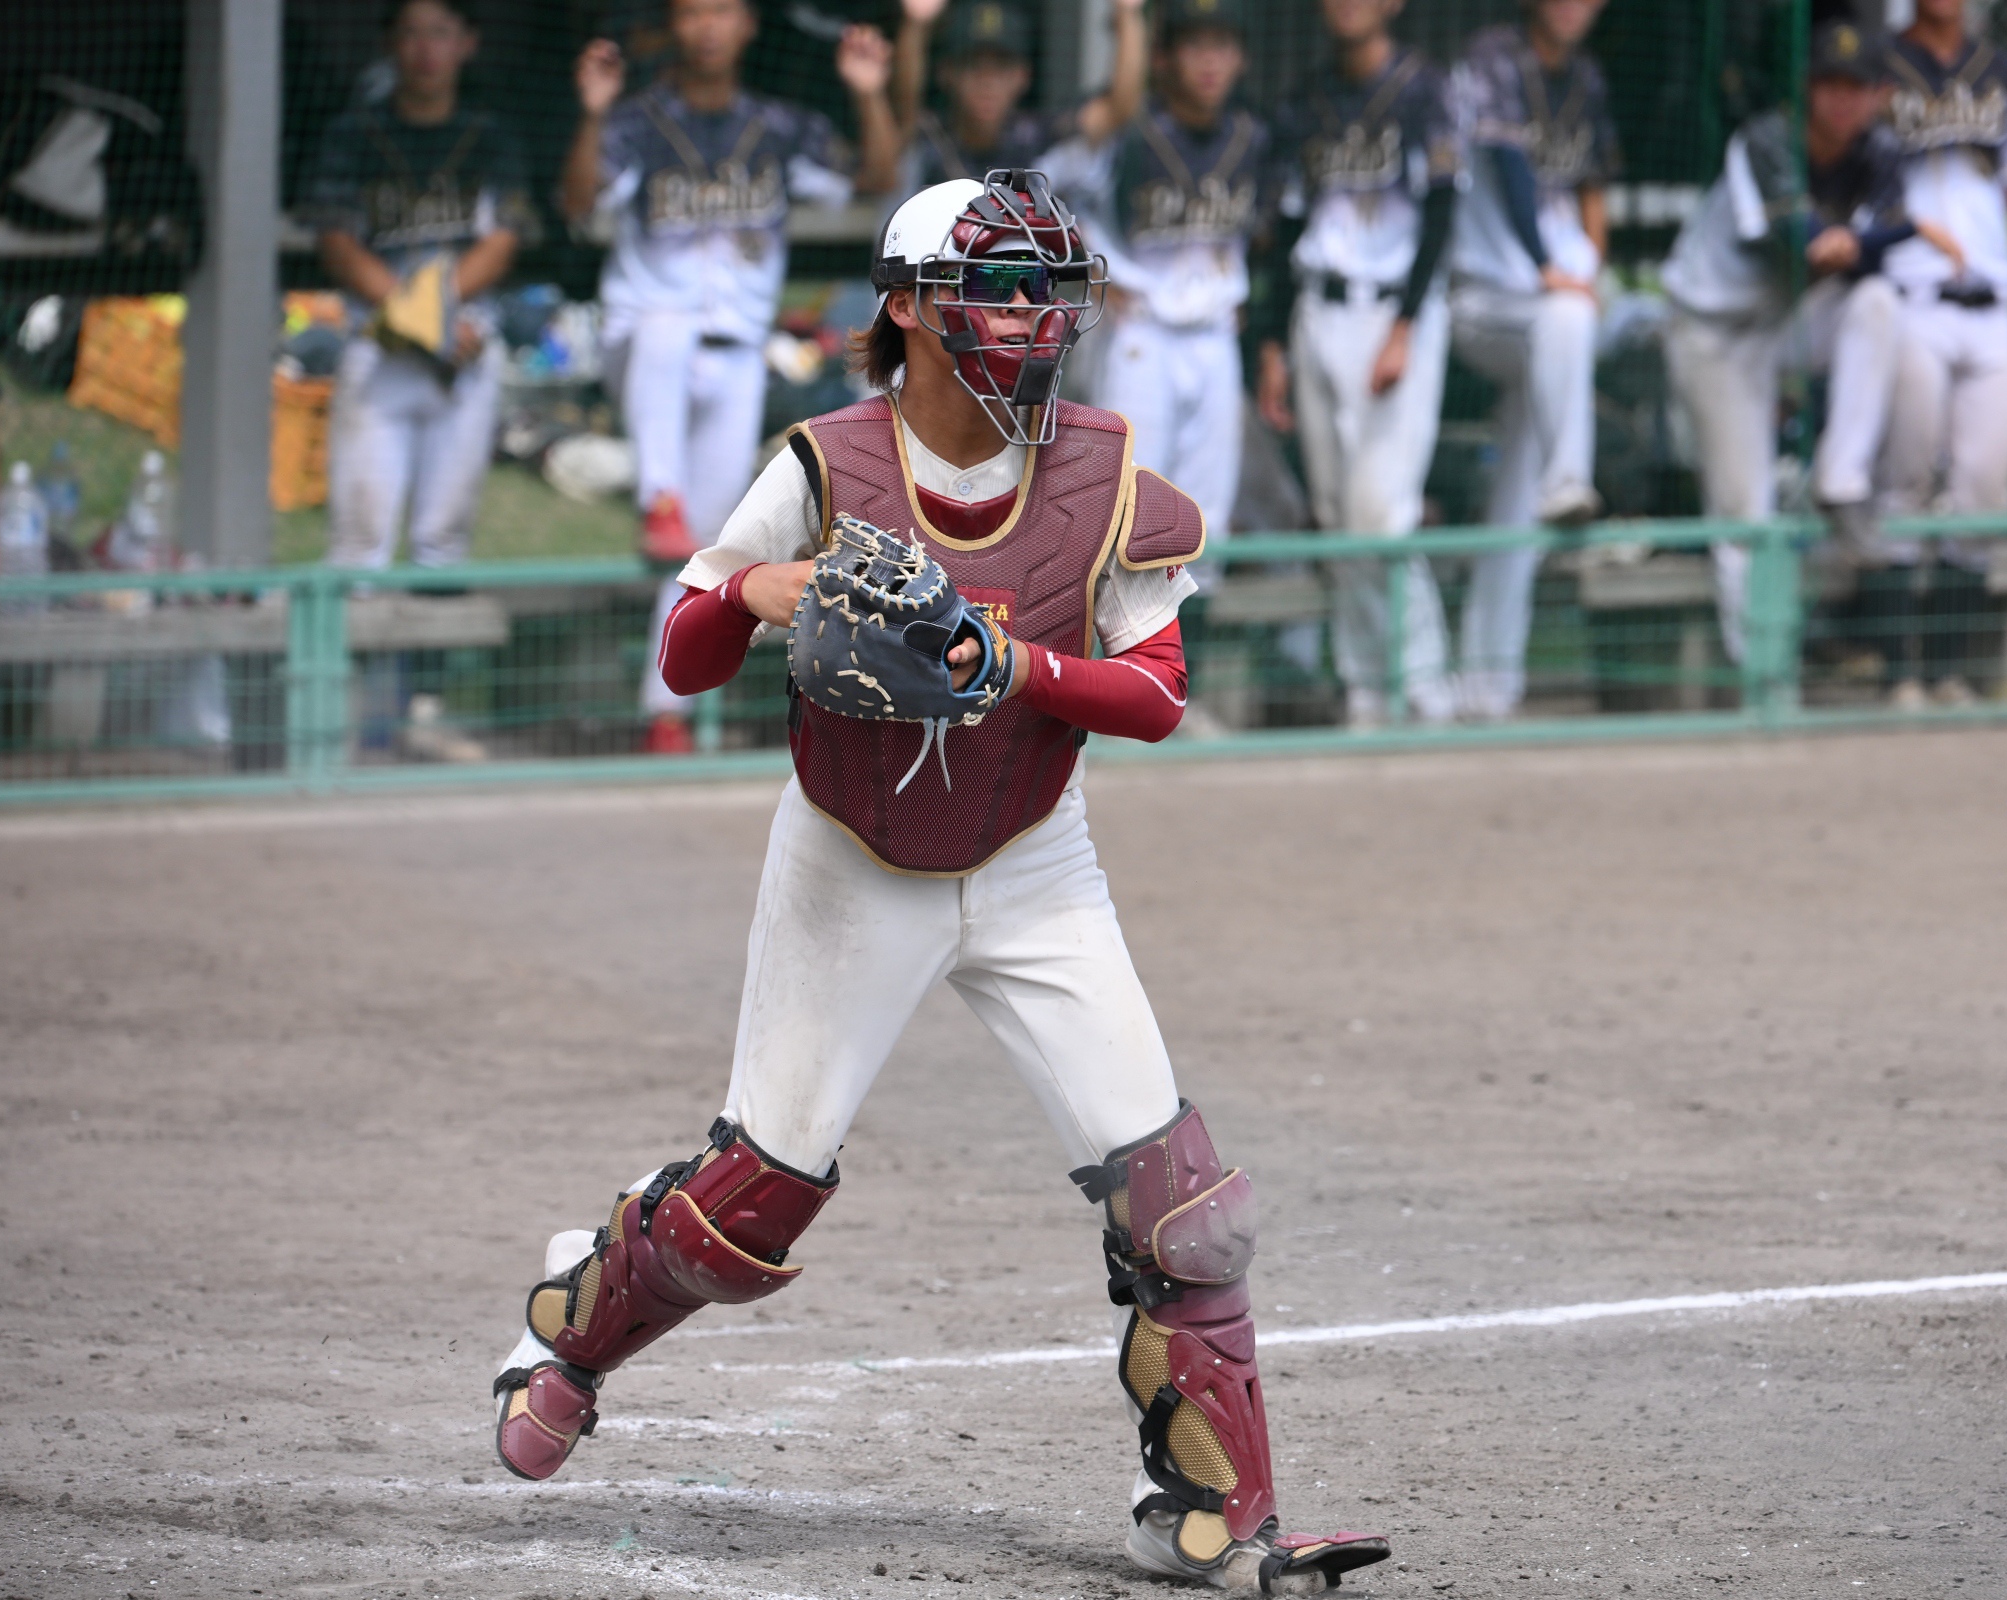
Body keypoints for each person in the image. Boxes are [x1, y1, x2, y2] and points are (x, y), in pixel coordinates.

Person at [488, 170, 1392, 1595]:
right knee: (750, 1209)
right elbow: (685, 652)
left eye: (1048, 292)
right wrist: (755, 590)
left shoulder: (1104, 472)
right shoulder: (826, 462)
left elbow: (1156, 697)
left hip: (1036, 856)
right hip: (851, 860)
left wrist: (1011, 665)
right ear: (906, 307)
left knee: (1188, 1207)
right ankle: (571, 1329)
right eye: (996, 290)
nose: (1032, 320)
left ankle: (1219, 1516)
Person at [561, 0, 901, 753]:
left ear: (749, 25)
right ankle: (658, 495)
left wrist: (870, 93)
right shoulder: (638, 120)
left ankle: (667, 716)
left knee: (707, 546)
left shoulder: (778, 125)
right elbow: (578, 201)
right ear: (673, 25)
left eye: (723, 10)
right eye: (693, 11)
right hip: (645, 345)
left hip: (737, 352)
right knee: (666, 321)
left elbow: (876, 179)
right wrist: (593, 112)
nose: (709, 25)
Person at [1661, 21, 1936, 667]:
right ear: (1807, 88)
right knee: (1744, 508)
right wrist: (1870, 238)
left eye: (1856, 87)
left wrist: (1867, 240)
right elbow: (1800, 241)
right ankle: (1762, 673)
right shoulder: (1766, 140)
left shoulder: (1876, 149)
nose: (1842, 100)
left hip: (1782, 323)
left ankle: (1841, 478)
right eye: (1830, 84)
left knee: (1877, 304)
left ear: (1878, 95)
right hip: (1714, 333)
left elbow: (1888, 240)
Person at [1256, 0, 1461, 730]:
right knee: (1339, 514)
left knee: (1381, 512)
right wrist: (1273, 346)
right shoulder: (1306, 101)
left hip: (1394, 311)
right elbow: (1287, 228)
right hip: (1318, 310)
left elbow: (1443, 212)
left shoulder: (1425, 89)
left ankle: (1427, 686)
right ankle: (1367, 689)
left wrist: (1405, 325)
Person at [303, 0, 538, 572]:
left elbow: (502, 240)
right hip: (379, 350)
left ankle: (425, 635)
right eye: (410, 33)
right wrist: (425, 320)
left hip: (465, 351)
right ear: (388, 42)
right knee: (358, 548)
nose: (426, 49)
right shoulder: (353, 134)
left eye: (440, 33)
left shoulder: (490, 136)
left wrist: (436, 318)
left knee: (443, 547)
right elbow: (337, 242)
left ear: (467, 42)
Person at [1445, 0, 1616, 720]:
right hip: (1487, 298)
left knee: (1515, 499)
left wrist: (1591, 260)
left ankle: (1489, 686)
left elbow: (1594, 180)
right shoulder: (1494, 56)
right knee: (1567, 316)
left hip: (1554, 304)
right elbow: (1512, 167)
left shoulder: (1587, 77)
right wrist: (1550, 265)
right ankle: (1569, 478)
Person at [1874, 0, 2007, 705]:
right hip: (1913, 295)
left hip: (1991, 301)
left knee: (1984, 487)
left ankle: (1946, 669)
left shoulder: (1999, 70)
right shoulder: (1880, 65)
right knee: (1906, 479)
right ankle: (1898, 672)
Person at [1068, 0, 1265, 605]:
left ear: (1242, 58)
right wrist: (1092, 269)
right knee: (1130, 505)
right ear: (1164, 58)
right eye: (1194, 45)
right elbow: (1062, 196)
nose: (1209, 61)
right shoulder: (1127, 132)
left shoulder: (1253, 136)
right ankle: (1126, 654)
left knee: (1208, 513)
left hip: (1216, 336)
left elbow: (1269, 237)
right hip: (1141, 334)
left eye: (1222, 45)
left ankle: (1188, 658)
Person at [889, 0, 1148, 192]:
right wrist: (916, 25)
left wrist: (1127, 13)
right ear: (947, 73)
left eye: (1001, 68)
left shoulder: (1040, 138)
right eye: (973, 66)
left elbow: (1118, 109)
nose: (987, 81)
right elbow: (903, 103)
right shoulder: (928, 136)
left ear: (1022, 77)